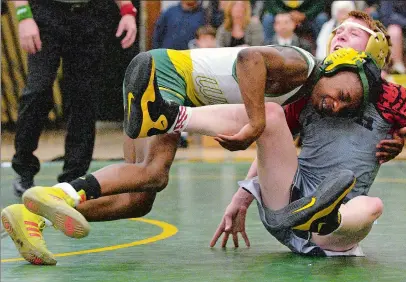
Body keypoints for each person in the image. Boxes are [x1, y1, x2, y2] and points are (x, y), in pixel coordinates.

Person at [2, 46, 385, 265]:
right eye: (341, 95)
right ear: (334, 68)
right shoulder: (303, 65)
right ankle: (59, 195)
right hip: (166, 78)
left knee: (138, 197)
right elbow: (249, 59)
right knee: (154, 172)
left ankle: (37, 213)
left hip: (155, 76)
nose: (334, 105)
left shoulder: (304, 96)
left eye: (344, 107)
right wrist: (253, 123)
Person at [205, 12, 406, 255]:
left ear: (377, 47)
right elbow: (272, 145)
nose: (340, 35)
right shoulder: (312, 85)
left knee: (372, 205)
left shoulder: (392, 97)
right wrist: (241, 199)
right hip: (288, 205)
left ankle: (326, 216)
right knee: (270, 114)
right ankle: (179, 117)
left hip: (332, 231)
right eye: (338, 31)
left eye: (353, 33)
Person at [11, 0, 137, 196]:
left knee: (84, 97)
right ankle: (24, 168)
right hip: (46, 12)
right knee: (38, 91)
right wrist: (23, 16)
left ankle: (73, 177)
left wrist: (127, 10)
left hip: (90, 15)